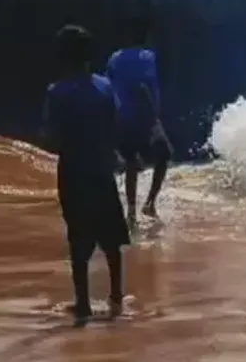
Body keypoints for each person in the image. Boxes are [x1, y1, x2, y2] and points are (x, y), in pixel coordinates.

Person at [41, 25, 130, 323]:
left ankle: (83, 304)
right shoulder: (106, 87)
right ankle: (116, 296)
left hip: (75, 173)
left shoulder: (57, 92)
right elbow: (114, 125)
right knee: (111, 237)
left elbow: (53, 140)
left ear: (62, 56)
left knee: (79, 237)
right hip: (103, 169)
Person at [106, 18, 171, 221]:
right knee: (164, 155)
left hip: (122, 115)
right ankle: (150, 203)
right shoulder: (147, 57)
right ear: (145, 37)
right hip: (145, 115)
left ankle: (132, 210)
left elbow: (108, 84)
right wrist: (155, 112)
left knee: (131, 161)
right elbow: (147, 86)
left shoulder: (114, 58)